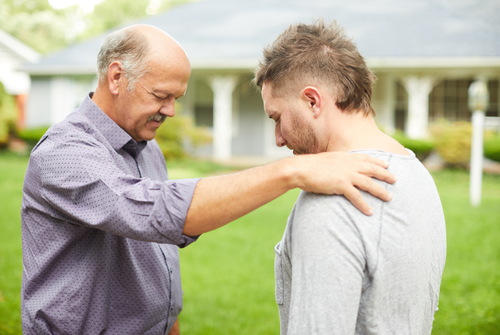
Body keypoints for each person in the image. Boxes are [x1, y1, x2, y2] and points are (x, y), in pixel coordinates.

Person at [21, 24, 396, 335]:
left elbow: (156, 251)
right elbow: (153, 211)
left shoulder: (146, 147)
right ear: (117, 77)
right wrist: (290, 171)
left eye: (177, 98)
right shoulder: (64, 153)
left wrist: (168, 321)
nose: (170, 110)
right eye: (161, 95)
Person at [253, 20, 447, 335]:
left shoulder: (332, 202)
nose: (278, 138)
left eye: (277, 118)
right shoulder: (418, 175)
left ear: (312, 101)